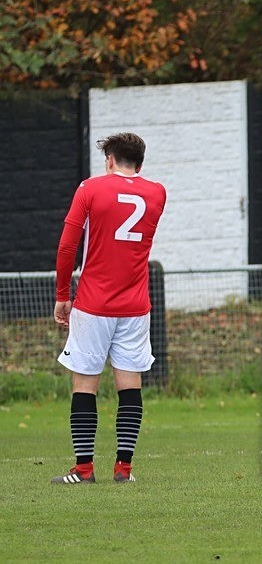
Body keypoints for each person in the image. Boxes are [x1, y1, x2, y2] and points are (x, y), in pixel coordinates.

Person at [51, 132, 167, 484]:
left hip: (93, 303)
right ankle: (124, 469)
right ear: (141, 164)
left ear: (110, 159)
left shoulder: (90, 188)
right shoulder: (157, 193)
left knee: (85, 384)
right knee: (129, 384)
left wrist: (61, 294)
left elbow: (68, 243)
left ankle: (84, 469)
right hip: (135, 305)